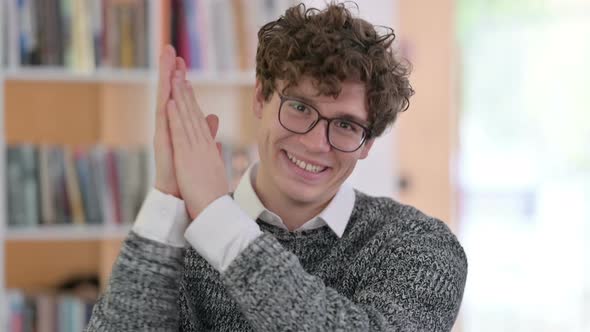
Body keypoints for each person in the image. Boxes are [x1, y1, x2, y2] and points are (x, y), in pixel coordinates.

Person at [86, 2, 467, 331]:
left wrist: (216, 217)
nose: (316, 143)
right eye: (300, 107)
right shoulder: (174, 241)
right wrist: (168, 196)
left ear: (367, 143)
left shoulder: (419, 246)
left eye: (347, 125)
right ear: (260, 99)